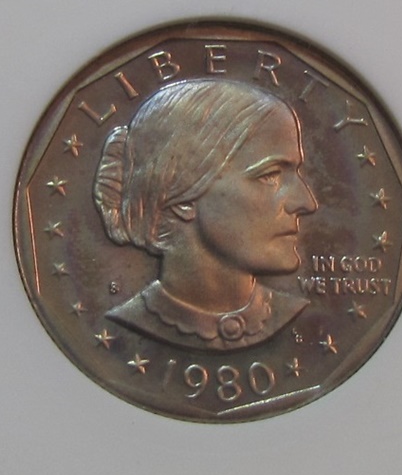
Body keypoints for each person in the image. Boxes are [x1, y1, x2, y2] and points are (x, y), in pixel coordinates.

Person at [95, 78, 316, 350]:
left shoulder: (298, 314)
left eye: (296, 173)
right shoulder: (126, 323)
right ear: (181, 194)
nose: (306, 202)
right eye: (270, 175)